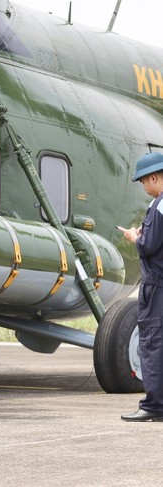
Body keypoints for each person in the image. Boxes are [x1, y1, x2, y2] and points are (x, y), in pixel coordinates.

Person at [119, 152, 163, 422]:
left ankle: (153, 406)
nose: (144, 187)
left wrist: (135, 237)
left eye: (144, 182)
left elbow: (149, 246)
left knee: (152, 343)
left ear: (155, 177)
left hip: (156, 286)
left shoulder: (159, 206)